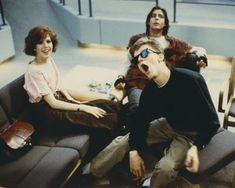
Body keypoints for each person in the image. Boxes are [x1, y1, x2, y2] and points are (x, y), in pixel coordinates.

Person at [88, 37, 220, 187]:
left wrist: (196, 146)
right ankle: (92, 172)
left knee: (166, 168)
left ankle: (151, 184)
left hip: (191, 134)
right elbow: (140, 122)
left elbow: (212, 121)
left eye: (144, 54)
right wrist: (134, 151)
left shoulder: (191, 80)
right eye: (137, 59)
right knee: (123, 141)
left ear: (160, 56)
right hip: (169, 125)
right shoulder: (150, 91)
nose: (140, 60)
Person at [23, 25, 121, 161]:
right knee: (102, 119)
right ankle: (102, 161)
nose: (46, 46)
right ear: (33, 46)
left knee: (109, 105)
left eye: (48, 41)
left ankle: (127, 141)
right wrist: (83, 107)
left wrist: (76, 101)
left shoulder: (49, 60)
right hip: (47, 114)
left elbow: (60, 86)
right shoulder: (34, 70)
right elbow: (53, 103)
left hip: (59, 102)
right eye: (40, 43)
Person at [110, 6, 208, 132]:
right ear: (148, 21)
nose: (156, 18)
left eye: (160, 16)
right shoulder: (137, 40)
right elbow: (126, 60)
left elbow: (198, 49)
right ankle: (129, 140)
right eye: (153, 16)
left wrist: (201, 57)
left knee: (165, 112)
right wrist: (120, 77)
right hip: (138, 83)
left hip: (162, 85)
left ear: (165, 23)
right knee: (138, 108)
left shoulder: (173, 43)